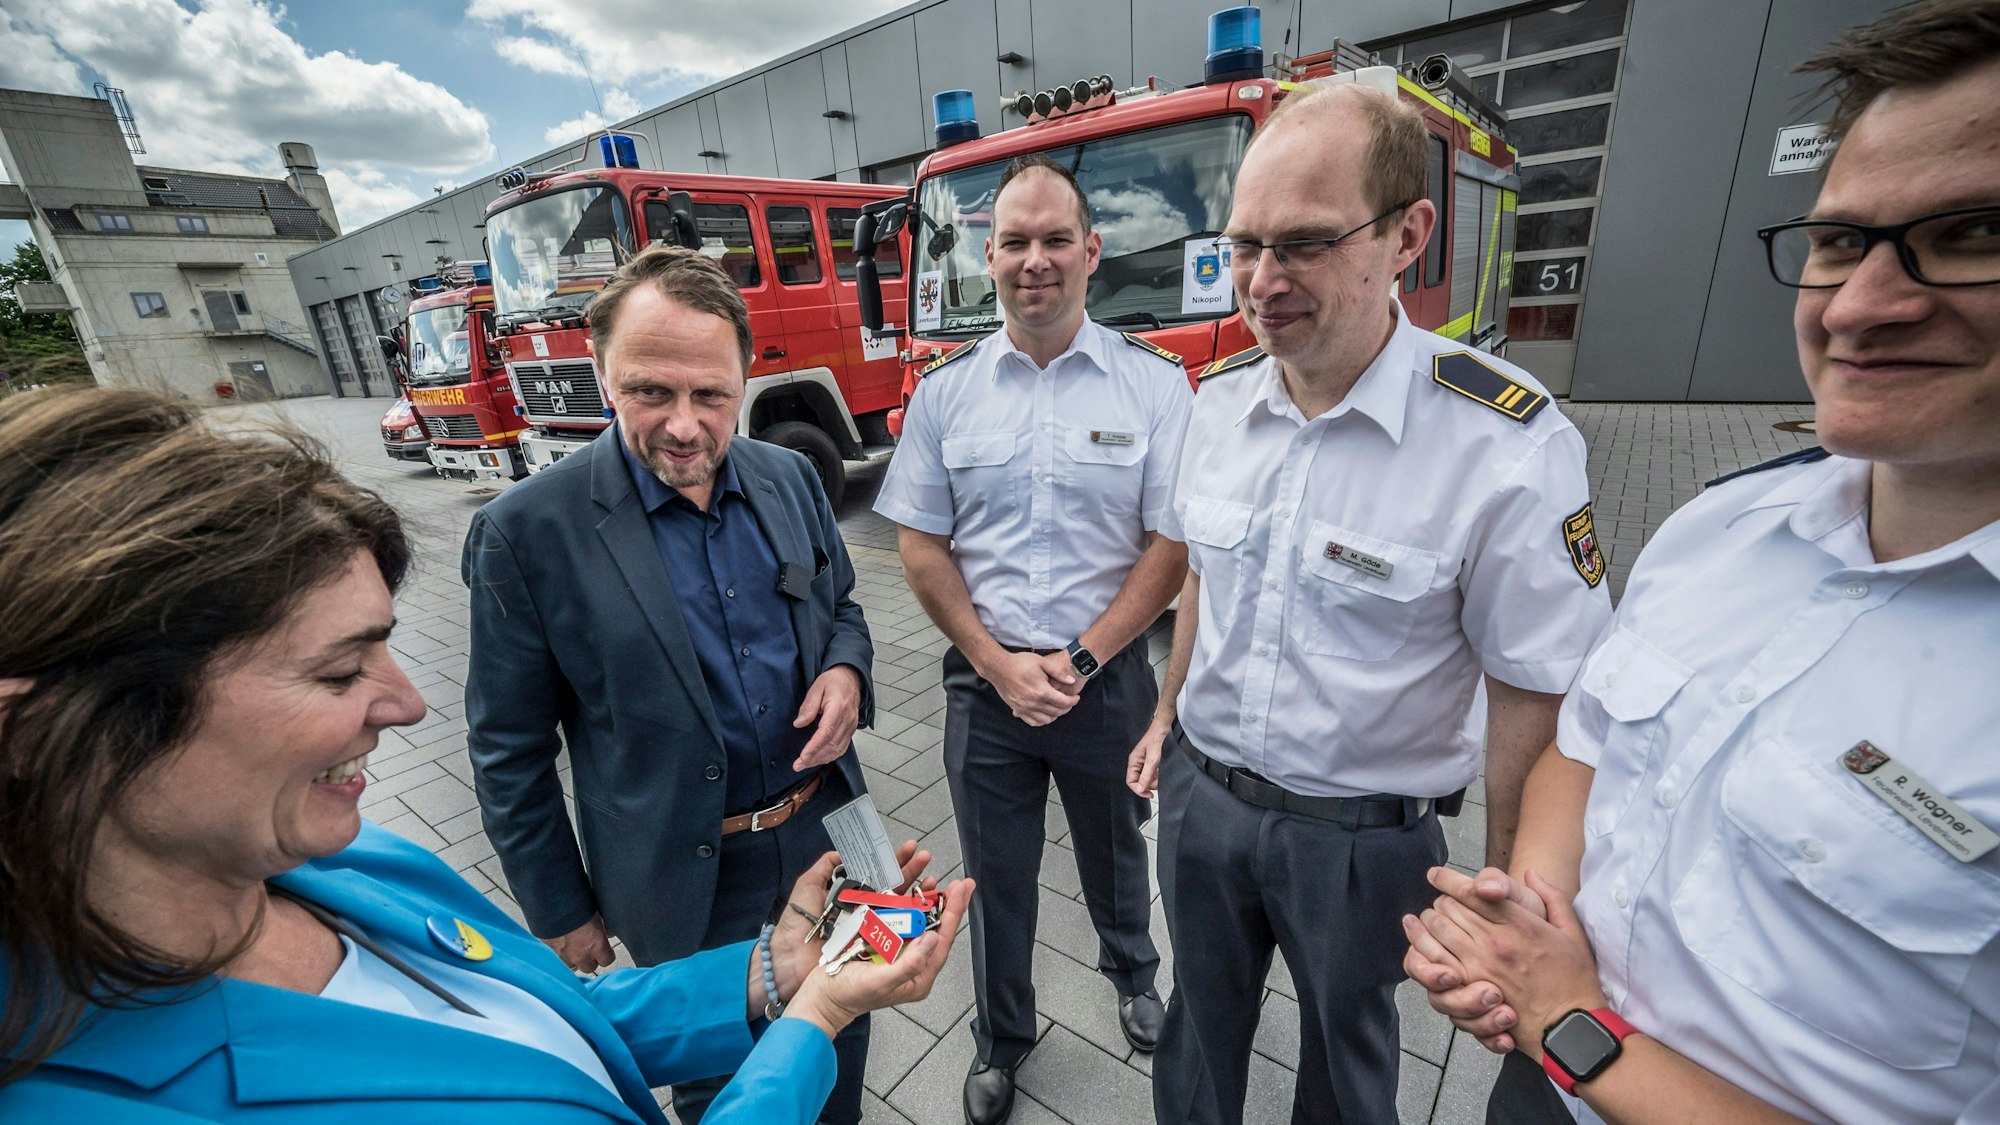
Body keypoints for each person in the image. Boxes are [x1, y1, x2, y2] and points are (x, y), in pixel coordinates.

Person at [0, 385, 973, 1123]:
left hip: (816, 826)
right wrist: (809, 1029)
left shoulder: (351, 866)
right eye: (338, 674)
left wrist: (769, 976)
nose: (406, 701)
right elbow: (506, 739)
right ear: (41, 729)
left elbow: (549, 1026)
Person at [1402, 4, 2000, 1122]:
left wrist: (1572, 1026)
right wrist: (1522, 925)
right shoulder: (1717, 530)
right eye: (1835, 242)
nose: (1863, 305)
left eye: (1970, 235)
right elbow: (1581, 753)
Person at [1125, 82, 1613, 1125]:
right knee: (1194, 1039)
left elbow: (1538, 691)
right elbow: (1203, 583)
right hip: (1201, 807)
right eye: (1242, 243)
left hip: (1359, 844)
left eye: (1299, 244)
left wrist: (1500, 902)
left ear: (1405, 234)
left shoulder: (1503, 444)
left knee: (1346, 1073)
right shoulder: (1215, 407)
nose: (1259, 282)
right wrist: (1165, 717)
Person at [462, 245, 878, 1124]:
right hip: (683, 873)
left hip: (828, 830)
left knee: (840, 1041)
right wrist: (561, 907)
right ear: (604, 373)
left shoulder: (791, 476)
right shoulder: (527, 531)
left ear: (746, 376)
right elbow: (509, 747)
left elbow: (841, 601)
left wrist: (844, 668)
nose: (686, 425)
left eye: (711, 395)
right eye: (652, 391)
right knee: (718, 1082)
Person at [874, 153, 1192, 1125]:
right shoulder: (945, 394)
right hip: (986, 687)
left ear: (1090, 253)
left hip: (1107, 686)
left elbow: (1169, 545)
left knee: (1115, 853)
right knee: (994, 879)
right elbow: (920, 545)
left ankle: (1133, 978)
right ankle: (1000, 1038)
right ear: (988, 253)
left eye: (1056, 239)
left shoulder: (1153, 387)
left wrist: (1083, 659)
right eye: (1014, 240)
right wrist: (996, 663)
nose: (1034, 259)